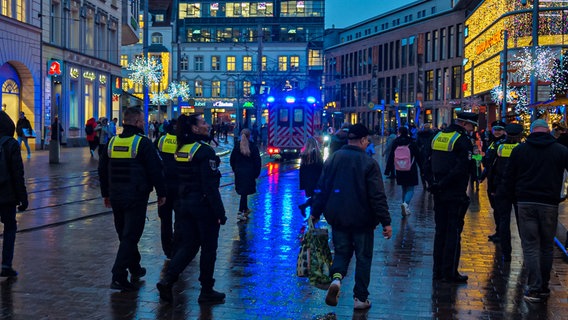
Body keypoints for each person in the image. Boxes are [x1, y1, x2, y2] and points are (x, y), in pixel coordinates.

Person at [311, 123, 392, 310]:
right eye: (367, 141)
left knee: (341, 253)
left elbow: (321, 188)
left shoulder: (333, 158)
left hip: (338, 218)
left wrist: (315, 212)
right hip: (363, 221)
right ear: (363, 140)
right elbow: (377, 196)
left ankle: (337, 280)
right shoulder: (369, 163)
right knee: (363, 258)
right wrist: (386, 222)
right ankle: (360, 299)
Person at [157, 114, 227, 304]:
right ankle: (206, 290)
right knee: (208, 249)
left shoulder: (182, 148)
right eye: (203, 123)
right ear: (195, 129)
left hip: (184, 204)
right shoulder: (204, 151)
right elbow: (210, 186)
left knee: (188, 246)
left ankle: (168, 279)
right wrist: (220, 212)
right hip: (203, 207)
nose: (207, 125)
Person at [98, 107, 166, 291]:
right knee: (131, 235)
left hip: (116, 195)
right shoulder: (142, 143)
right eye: (142, 121)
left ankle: (134, 267)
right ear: (136, 123)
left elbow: (102, 170)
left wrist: (105, 193)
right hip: (136, 196)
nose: (144, 124)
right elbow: (155, 170)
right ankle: (118, 275)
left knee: (124, 233)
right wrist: (162, 193)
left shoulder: (112, 142)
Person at [505, 119, 568, 303]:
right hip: (549, 203)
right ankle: (544, 286)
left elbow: (509, 177)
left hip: (525, 202)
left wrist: (509, 198)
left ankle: (533, 288)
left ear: (531, 131)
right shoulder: (561, 151)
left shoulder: (520, 150)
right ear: (548, 131)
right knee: (546, 247)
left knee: (531, 246)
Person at [428, 112, 477, 284]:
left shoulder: (438, 136)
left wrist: (433, 183)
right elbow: (462, 168)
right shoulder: (463, 140)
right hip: (454, 192)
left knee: (440, 231)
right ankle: (450, 272)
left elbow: (426, 159)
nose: (473, 130)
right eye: (472, 126)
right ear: (465, 124)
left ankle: (437, 271)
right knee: (453, 232)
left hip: (439, 192)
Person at [0, 111, 28, 277]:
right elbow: (18, 174)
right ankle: (5, 265)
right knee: (10, 228)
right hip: (7, 195)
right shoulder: (11, 144)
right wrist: (22, 198)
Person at [491, 123, 523, 262]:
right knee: (522, 220)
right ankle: (525, 248)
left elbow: (491, 166)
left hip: (502, 187)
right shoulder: (522, 148)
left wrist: (492, 187)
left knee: (504, 220)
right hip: (519, 189)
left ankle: (506, 252)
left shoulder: (499, 147)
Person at [480, 120, 507, 242]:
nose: (497, 132)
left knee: (500, 209)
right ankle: (499, 231)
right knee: (495, 208)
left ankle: (501, 233)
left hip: (498, 180)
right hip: (492, 179)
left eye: (499, 130)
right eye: (495, 129)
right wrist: (483, 175)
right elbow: (489, 162)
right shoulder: (492, 142)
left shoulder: (504, 143)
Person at [385, 126, 421, 217]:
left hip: (399, 169)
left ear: (399, 132)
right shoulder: (412, 142)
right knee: (411, 188)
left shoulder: (396, 142)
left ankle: (404, 207)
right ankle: (405, 205)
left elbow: (391, 156)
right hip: (411, 168)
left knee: (404, 188)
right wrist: (423, 169)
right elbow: (418, 156)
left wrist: (387, 170)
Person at [155, 119, 178, 259]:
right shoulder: (184, 141)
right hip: (180, 186)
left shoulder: (161, 140)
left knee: (165, 219)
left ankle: (167, 249)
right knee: (181, 218)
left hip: (163, 185)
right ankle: (178, 245)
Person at [230, 128, 262, 222]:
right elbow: (257, 161)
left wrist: (235, 169)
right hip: (249, 173)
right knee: (244, 193)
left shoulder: (236, 147)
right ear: (249, 136)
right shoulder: (253, 147)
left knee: (243, 192)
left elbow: (232, 160)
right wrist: (256, 173)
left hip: (239, 173)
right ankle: (241, 211)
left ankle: (245, 209)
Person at [298, 136, 324, 217]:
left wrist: (302, 185)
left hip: (307, 182)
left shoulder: (304, 155)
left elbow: (301, 171)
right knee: (318, 199)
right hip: (316, 181)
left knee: (314, 198)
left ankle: (306, 209)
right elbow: (321, 168)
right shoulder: (317, 154)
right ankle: (311, 217)